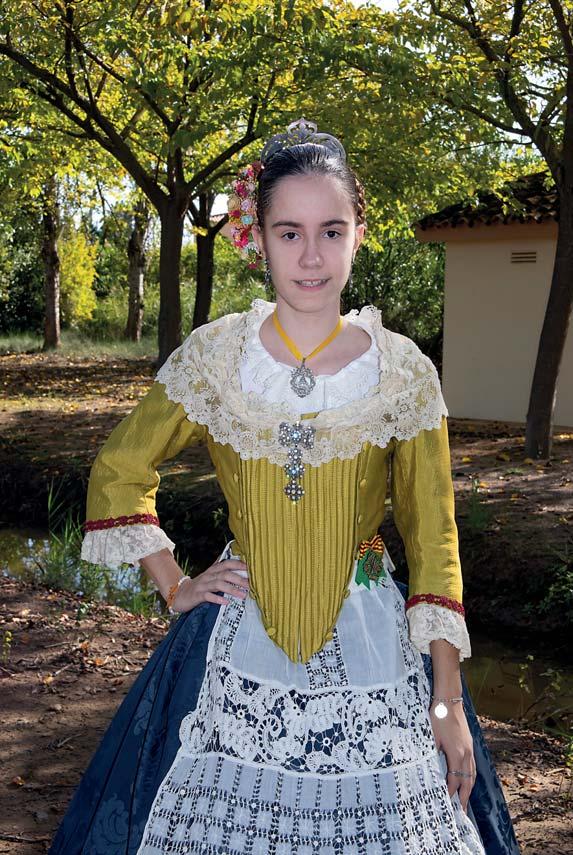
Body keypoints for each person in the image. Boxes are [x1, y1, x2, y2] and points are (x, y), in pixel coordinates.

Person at [49, 118, 519, 854]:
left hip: (373, 644)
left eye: (331, 231)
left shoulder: (402, 373)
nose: (311, 256)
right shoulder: (216, 357)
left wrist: (445, 704)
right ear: (258, 239)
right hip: (233, 633)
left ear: (359, 233)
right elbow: (120, 469)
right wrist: (175, 584)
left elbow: (434, 542)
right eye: (289, 232)